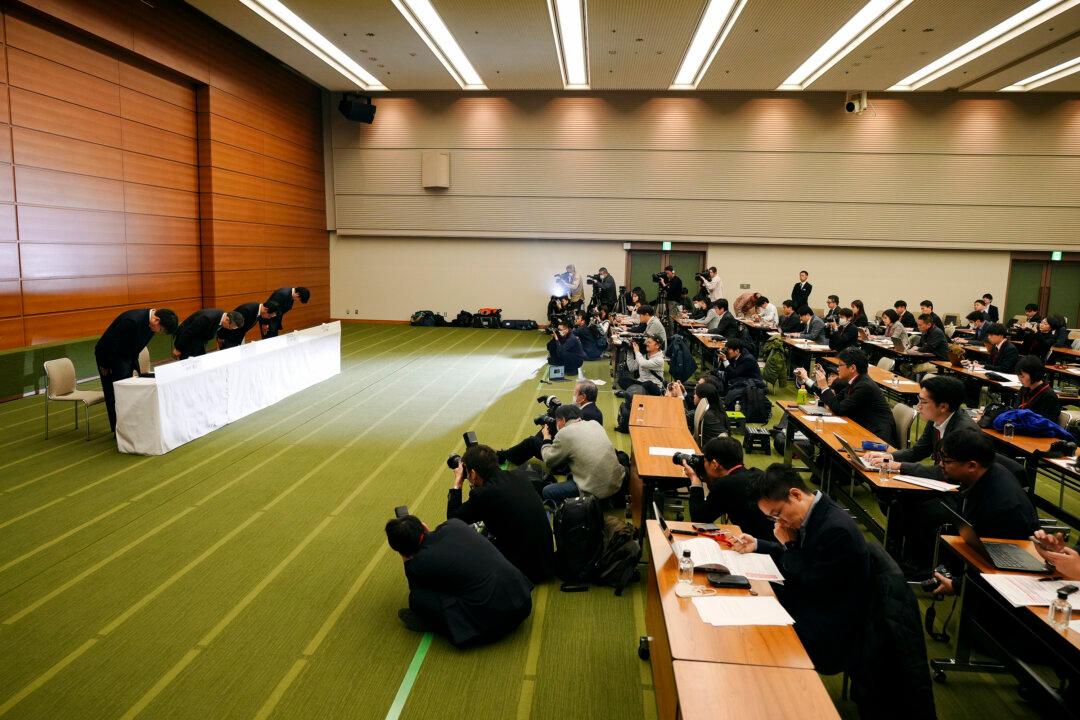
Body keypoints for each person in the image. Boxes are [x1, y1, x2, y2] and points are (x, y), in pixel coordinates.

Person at [731, 464, 869, 674]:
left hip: (828, 627)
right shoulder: (815, 513)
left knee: (752, 633)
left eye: (778, 514)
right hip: (812, 603)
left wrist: (789, 546)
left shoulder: (836, 531)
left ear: (795, 495)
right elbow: (806, 560)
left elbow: (808, 585)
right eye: (773, 518)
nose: (779, 522)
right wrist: (758, 545)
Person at [385, 514, 533, 647]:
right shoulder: (454, 524)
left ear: (400, 550)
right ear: (423, 526)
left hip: (495, 623)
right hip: (523, 600)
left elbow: (416, 588)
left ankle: (442, 624)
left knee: (416, 599)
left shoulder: (418, 563)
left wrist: (406, 560)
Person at [928, 430, 1039, 595]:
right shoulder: (986, 474)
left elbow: (1002, 564)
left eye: (946, 460)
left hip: (1011, 581)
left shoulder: (1003, 507)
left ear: (972, 465)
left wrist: (958, 586)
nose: (941, 465)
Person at [447, 444, 555, 583]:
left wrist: (458, 483)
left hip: (525, 570)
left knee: (464, 550)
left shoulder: (483, 494)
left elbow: (453, 518)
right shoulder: (519, 475)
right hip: (547, 560)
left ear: (473, 474)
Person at [865, 375, 977, 479]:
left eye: (923, 402)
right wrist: (889, 456)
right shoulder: (936, 417)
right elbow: (919, 451)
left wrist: (899, 466)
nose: (918, 406)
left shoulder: (963, 432)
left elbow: (945, 472)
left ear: (943, 406)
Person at [94, 308, 179, 431]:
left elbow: (136, 346)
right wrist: (105, 365)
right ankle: (118, 431)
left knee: (127, 391)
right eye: (161, 329)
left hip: (126, 356)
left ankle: (129, 426)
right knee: (114, 393)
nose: (159, 332)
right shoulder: (131, 320)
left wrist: (134, 367)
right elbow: (110, 343)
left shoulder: (151, 324)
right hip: (108, 356)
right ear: (156, 320)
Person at [796, 346, 897, 445]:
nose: (837, 368)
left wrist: (825, 387)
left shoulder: (864, 386)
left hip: (876, 438)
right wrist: (808, 380)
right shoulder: (856, 381)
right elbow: (835, 401)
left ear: (852, 368)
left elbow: (839, 409)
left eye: (840, 365)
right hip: (861, 429)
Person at [682, 437, 774, 540]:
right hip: (773, 541)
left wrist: (695, 479)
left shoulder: (725, 485)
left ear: (714, 464)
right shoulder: (757, 473)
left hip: (758, 548)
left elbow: (698, 518)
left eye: (705, 460)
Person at [497, 380, 602, 466]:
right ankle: (516, 455)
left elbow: (565, 434)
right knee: (547, 430)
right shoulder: (594, 411)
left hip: (571, 461)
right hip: (579, 451)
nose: (573, 395)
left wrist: (548, 427)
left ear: (583, 397)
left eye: (575, 393)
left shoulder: (584, 414)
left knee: (532, 441)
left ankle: (504, 455)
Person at [539, 404, 624, 503]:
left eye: (557, 421)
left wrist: (546, 438)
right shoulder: (594, 423)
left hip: (594, 491)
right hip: (617, 484)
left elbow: (549, 460)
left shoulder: (564, 433)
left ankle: (570, 508)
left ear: (562, 420)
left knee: (547, 491)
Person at [666, 379, 729, 446]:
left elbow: (680, 418)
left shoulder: (705, 414)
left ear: (703, 398)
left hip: (708, 451)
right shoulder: (714, 409)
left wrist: (672, 398)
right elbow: (689, 412)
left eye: (696, 394)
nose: (694, 395)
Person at [172, 309, 244, 359]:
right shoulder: (207, 318)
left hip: (198, 343)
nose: (229, 329)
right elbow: (189, 332)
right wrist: (179, 348)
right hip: (187, 343)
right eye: (230, 327)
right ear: (227, 320)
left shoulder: (222, 317)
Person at [718, 338, 763, 408]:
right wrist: (722, 360)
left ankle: (729, 400)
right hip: (742, 379)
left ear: (737, 351)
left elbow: (733, 374)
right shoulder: (734, 355)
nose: (727, 351)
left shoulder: (748, 359)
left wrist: (725, 360)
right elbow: (723, 370)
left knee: (732, 380)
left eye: (728, 349)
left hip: (753, 383)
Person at [1015, 355, 1061, 423]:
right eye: (1018, 376)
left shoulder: (1049, 396)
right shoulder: (1024, 389)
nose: (1019, 379)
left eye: (1022, 376)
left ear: (1034, 374)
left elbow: (1046, 424)